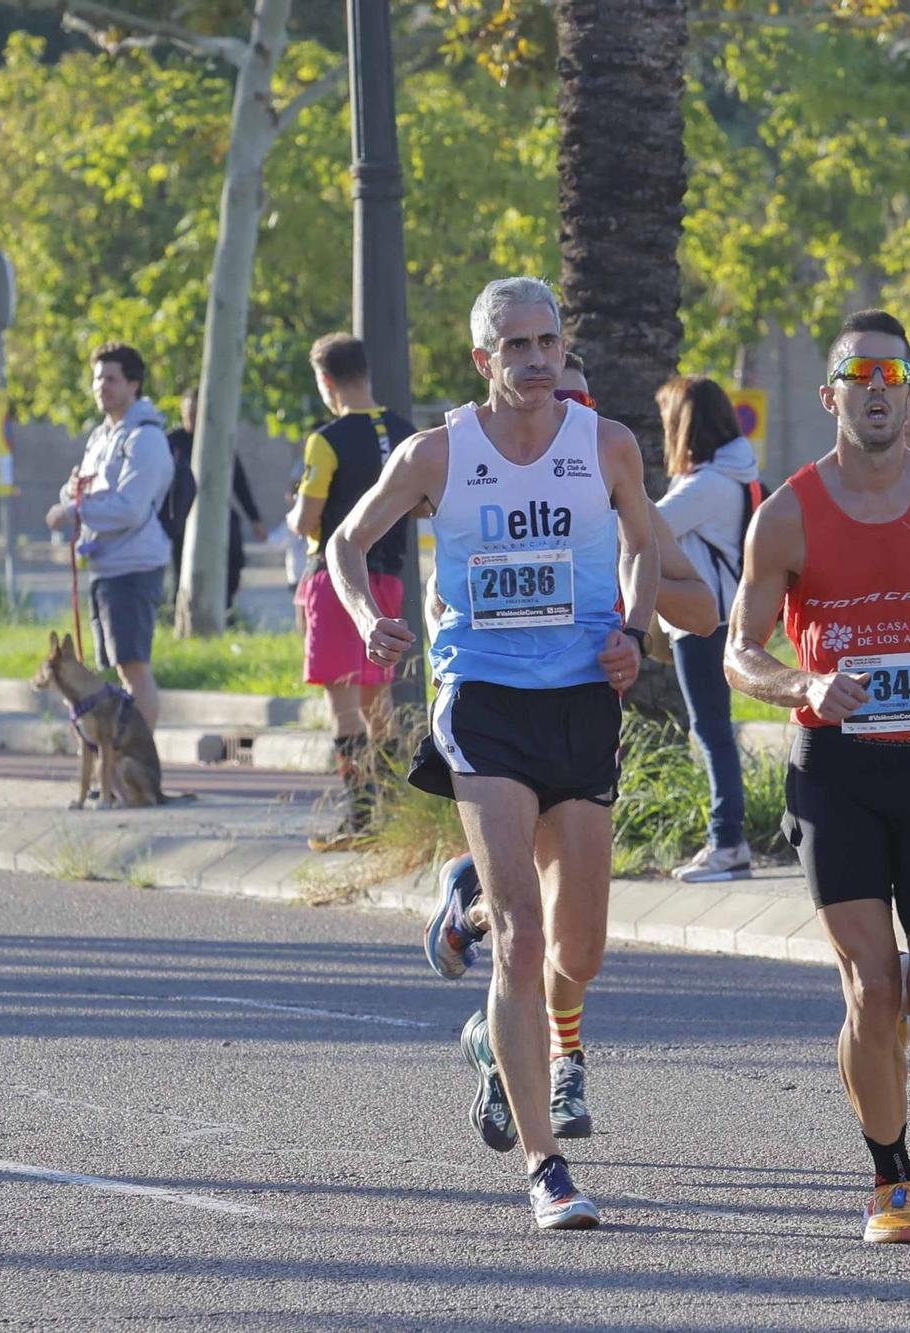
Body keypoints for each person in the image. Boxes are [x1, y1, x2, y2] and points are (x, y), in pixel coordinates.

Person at [325, 275, 660, 1230]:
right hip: (483, 696)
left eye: (546, 342)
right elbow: (348, 543)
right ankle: (546, 1169)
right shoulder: (438, 453)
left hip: (581, 697)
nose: (533, 360)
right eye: (513, 346)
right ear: (483, 360)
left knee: (579, 944)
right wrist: (370, 619)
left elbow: (643, 545)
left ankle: (489, 1032)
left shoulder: (608, 445)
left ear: (562, 349)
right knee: (523, 928)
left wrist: (632, 628)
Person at [725, 309, 910, 1244]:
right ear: (832, 393)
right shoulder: (789, 513)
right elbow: (738, 651)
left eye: (896, 376)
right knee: (869, 988)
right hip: (837, 769)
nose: (880, 391)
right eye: (862, 376)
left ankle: (875, 1017)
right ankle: (892, 1176)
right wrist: (802, 681)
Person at [434, 350, 720, 1158]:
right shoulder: (472, 482)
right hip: (493, 720)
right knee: (528, 928)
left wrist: (624, 598)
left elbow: (702, 610)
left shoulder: (610, 484)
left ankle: (481, 955)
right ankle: (557, 1059)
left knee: (577, 940)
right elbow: (443, 612)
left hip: (582, 721)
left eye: (574, 404)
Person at [287, 334, 416, 852]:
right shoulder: (408, 434)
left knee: (341, 703)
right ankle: (391, 811)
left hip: (338, 579)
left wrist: (295, 510)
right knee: (377, 700)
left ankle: (360, 817)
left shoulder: (326, 439)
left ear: (326, 381)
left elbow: (309, 519)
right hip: (389, 577)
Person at [655, 374, 760, 882]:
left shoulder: (706, 485)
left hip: (704, 623)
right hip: (717, 620)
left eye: (667, 419)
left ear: (684, 424)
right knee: (715, 730)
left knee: (712, 731)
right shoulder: (729, 476)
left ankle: (727, 841)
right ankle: (727, 840)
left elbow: (642, 527)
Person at [44, 342, 174, 728]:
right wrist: (72, 499)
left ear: (134, 384)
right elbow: (77, 489)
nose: (102, 386)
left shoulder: (145, 438)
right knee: (119, 667)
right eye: (98, 378)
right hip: (105, 564)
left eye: (112, 378)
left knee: (134, 669)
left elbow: (130, 508)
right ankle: (120, 768)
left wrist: (73, 510)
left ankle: (140, 764)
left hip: (134, 565)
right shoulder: (101, 437)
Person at [163, 389, 263, 614]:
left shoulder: (218, 441)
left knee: (235, 553)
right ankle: (177, 609)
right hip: (181, 515)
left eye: (196, 412)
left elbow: (239, 482)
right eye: (188, 411)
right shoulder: (172, 441)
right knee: (181, 565)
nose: (191, 416)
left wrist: (255, 518)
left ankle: (225, 606)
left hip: (216, 512)